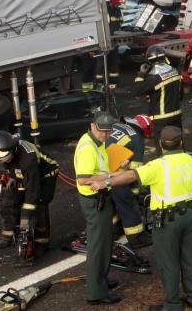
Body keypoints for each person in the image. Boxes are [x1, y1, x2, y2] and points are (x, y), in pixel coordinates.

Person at [89, 126, 192, 311]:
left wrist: (107, 181)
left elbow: (131, 175)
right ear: (180, 142)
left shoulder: (158, 165)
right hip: (189, 216)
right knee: (190, 258)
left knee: (169, 262)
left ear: (161, 144)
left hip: (168, 220)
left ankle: (173, 305)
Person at [74, 112, 122, 305]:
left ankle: (101, 280)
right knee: (98, 247)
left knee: (105, 242)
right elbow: (83, 179)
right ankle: (96, 293)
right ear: (92, 125)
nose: (105, 135)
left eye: (108, 131)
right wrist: (111, 175)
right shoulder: (87, 148)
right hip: (94, 201)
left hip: (100, 199)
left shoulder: (96, 141)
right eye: (102, 131)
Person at [0, 131, 59, 260]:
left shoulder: (28, 159)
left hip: (43, 176)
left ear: (13, 150)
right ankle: (8, 235)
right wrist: (10, 178)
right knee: (8, 201)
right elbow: (11, 165)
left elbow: (33, 190)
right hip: (22, 173)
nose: (3, 160)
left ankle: (41, 243)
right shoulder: (3, 150)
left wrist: (25, 219)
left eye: (5, 157)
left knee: (38, 205)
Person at [106, 114, 154, 249]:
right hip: (114, 173)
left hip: (99, 170)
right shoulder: (136, 139)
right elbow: (135, 172)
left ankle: (114, 230)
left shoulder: (118, 126)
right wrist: (136, 193)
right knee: (127, 202)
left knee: (110, 201)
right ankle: (137, 237)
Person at [132, 45, 183, 133]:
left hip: (161, 120)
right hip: (177, 116)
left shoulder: (154, 79)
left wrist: (141, 74)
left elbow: (137, 91)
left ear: (149, 60)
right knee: (177, 141)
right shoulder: (175, 71)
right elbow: (180, 95)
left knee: (162, 144)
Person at [96, 0, 125, 85]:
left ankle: (114, 81)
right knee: (101, 62)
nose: (118, 5)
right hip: (104, 40)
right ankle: (100, 82)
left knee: (114, 61)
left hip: (114, 40)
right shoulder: (105, 10)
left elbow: (120, 22)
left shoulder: (117, 10)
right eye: (117, 3)